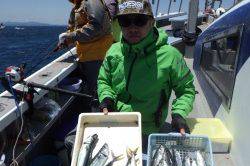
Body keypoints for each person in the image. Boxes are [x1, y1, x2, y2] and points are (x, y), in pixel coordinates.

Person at [97, 0, 195, 142]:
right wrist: (107, 98)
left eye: (140, 20)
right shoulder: (113, 51)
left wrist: (179, 114)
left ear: (151, 22)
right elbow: (104, 80)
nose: (133, 28)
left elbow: (186, 90)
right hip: (118, 122)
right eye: (125, 21)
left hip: (150, 128)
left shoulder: (171, 55)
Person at [58, 0, 114, 97]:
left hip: (98, 56)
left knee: (100, 90)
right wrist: (66, 40)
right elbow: (73, 28)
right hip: (86, 56)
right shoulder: (77, 6)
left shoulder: (92, 2)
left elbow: (96, 27)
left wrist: (70, 36)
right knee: (92, 89)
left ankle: (101, 110)